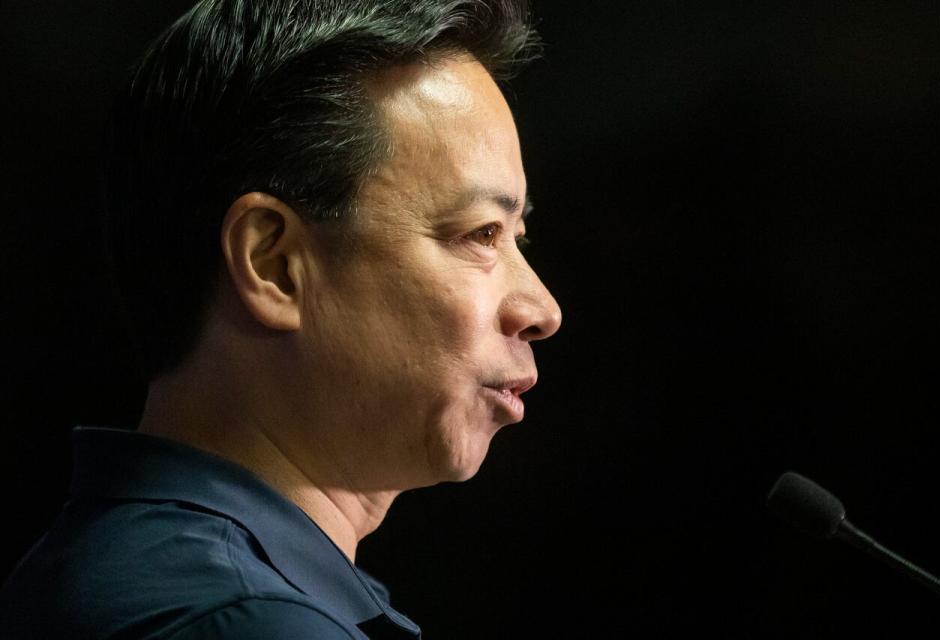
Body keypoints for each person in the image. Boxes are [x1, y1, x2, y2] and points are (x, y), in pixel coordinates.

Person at [0, 0, 561, 638]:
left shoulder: (122, 572)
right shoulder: (247, 621)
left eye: (518, 236)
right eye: (480, 233)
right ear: (273, 264)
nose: (542, 310)